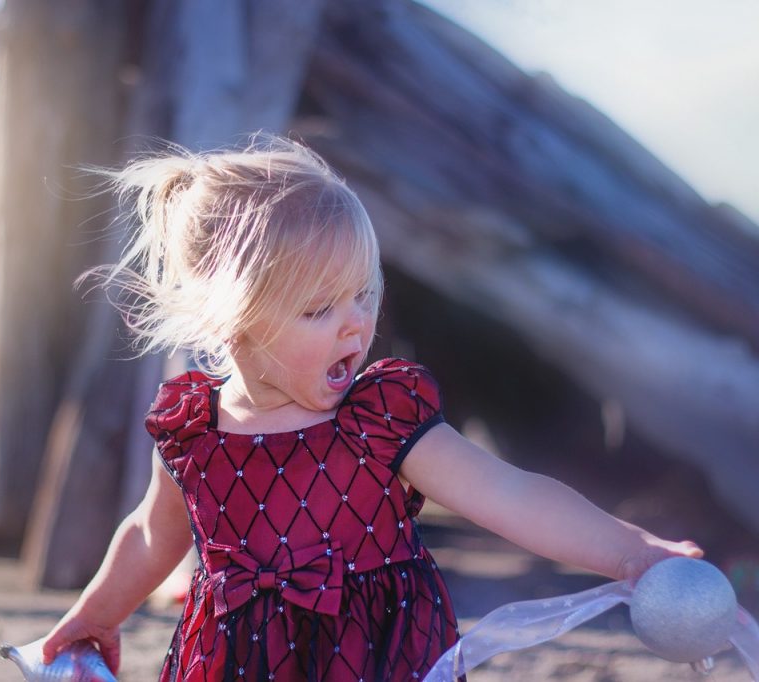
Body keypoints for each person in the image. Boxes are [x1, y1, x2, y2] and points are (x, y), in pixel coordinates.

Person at [40, 136, 702, 681]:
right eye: (318, 309)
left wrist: (631, 553)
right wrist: (98, 612)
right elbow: (151, 536)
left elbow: (510, 494)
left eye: (362, 294)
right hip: (234, 664)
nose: (355, 325)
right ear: (230, 320)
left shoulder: (380, 421)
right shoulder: (195, 433)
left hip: (378, 660)